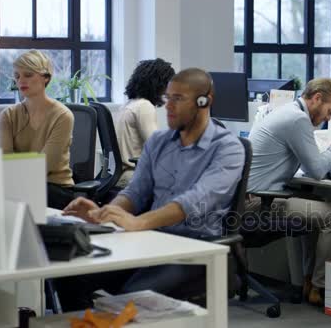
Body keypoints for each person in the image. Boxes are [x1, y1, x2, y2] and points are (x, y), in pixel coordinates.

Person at [54, 68, 245, 311]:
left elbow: (196, 200)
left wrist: (139, 222)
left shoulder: (228, 148)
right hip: (151, 241)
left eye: (178, 99)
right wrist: (104, 214)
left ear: (204, 101)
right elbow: (135, 192)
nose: (168, 106)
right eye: (167, 98)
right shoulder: (158, 142)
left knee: (130, 298)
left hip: (195, 249)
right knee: (71, 275)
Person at [246, 78, 331, 305]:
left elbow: (307, 165)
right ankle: (319, 288)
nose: (329, 117)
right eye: (329, 110)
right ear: (317, 98)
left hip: (251, 198)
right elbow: (318, 170)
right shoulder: (297, 119)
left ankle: (307, 281)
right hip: (257, 203)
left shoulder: (289, 112)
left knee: (316, 202)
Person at [0, 50, 75, 210]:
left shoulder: (63, 115)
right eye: (17, 76)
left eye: (28, 75)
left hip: (55, 189)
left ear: (45, 77)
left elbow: (43, 166)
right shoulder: (8, 115)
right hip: (20, 187)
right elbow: (5, 163)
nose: (21, 81)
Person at [115, 58, 175, 187]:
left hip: (121, 174)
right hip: (134, 175)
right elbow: (157, 149)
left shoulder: (128, 105)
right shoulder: (144, 106)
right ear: (158, 84)